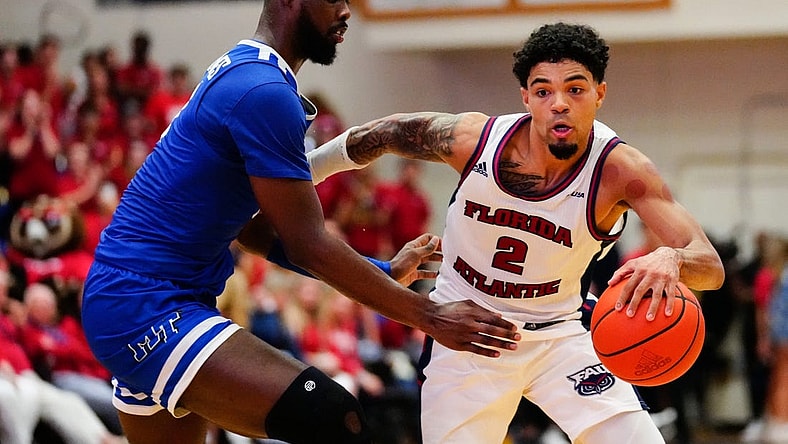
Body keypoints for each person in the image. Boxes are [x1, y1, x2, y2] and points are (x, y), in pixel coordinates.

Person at [80, 2, 520, 444]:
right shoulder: (264, 91)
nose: (346, 11)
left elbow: (254, 230)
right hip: (145, 304)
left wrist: (383, 271)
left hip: (142, 297)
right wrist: (431, 316)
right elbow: (308, 244)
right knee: (332, 416)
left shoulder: (247, 70)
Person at [307, 22, 725, 444]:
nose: (558, 104)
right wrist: (300, 174)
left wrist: (672, 258)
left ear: (599, 93)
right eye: (543, 91)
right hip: (466, 330)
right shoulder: (474, 141)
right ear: (526, 97)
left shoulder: (620, 170)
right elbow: (385, 133)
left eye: (575, 89)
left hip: (560, 335)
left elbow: (710, 266)